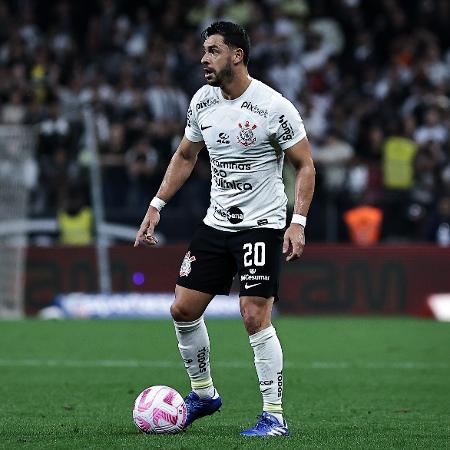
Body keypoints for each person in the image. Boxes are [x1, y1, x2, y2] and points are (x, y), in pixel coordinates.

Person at [134, 21, 315, 437]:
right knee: (182, 310)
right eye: (203, 51)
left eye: (213, 50)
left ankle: (274, 415)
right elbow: (185, 155)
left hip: (262, 226)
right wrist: (156, 205)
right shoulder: (201, 102)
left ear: (237, 55)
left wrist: (297, 222)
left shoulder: (273, 106)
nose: (203, 59)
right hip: (217, 223)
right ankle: (203, 394)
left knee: (253, 314)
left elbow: (305, 165)